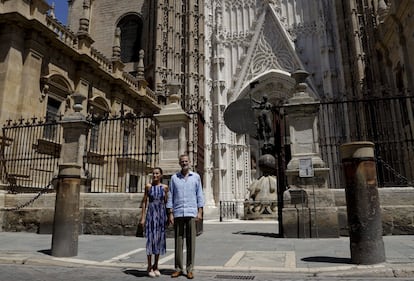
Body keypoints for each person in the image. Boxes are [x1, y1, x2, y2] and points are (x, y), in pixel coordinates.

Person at [167, 154, 204, 279]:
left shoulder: (196, 177)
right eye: (182, 161)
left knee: (191, 242)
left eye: (186, 161)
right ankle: (178, 268)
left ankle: (190, 269)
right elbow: (170, 195)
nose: (184, 163)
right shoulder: (174, 178)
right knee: (178, 241)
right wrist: (170, 213)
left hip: (191, 212)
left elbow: (200, 195)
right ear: (179, 163)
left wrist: (200, 212)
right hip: (178, 212)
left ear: (190, 162)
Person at [140, 167, 168, 277]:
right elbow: (144, 202)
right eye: (153, 173)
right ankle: (149, 266)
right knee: (150, 240)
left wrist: (168, 216)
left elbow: (166, 202)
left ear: (161, 175)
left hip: (161, 215)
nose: (155, 175)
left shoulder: (165, 187)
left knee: (158, 240)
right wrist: (142, 218)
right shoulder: (148, 186)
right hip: (151, 215)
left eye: (157, 173)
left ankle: (156, 265)